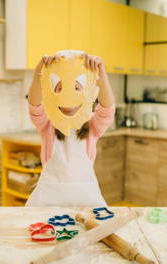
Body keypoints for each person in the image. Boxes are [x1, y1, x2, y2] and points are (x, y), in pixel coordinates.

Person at [26, 50, 115, 207]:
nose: (68, 94)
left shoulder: (93, 125)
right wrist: (38, 75)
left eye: (76, 88)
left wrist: (102, 76)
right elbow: (35, 106)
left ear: (86, 94)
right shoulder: (48, 125)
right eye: (60, 88)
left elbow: (107, 109)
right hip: (49, 195)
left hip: (85, 196)